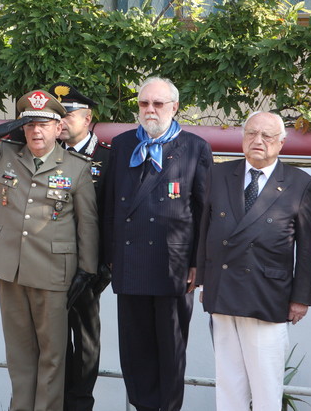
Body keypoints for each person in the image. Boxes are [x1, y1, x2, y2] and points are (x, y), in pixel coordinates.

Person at [0, 90, 99, 411]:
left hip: (52, 272)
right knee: (19, 356)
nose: (36, 131)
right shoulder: (4, 155)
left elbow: (87, 225)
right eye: (29, 124)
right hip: (10, 269)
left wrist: (86, 272)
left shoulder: (75, 167)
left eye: (43, 124)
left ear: (58, 128)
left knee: (52, 356)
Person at [102, 76, 211, 411]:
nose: (150, 110)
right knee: (135, 352)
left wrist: (199, 264)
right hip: (130, 266)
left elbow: (204, 211)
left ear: (174, 107)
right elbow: (106, 206)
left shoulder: (194, 147)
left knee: (170, 352)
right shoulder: (121, 146)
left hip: (173, 268)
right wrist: (108, 258)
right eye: (144, 103)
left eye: (158, 103)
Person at [197, 111, 311, 411]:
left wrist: (301, 298)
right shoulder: (219, 173)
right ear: (242, 138)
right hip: (223, 290)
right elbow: (205, 230)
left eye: (266, 135)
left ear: (281, 142)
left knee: (265, 386)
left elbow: (307, 247)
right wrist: (204, 281)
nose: (258, 141)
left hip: (268, 294)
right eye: (251, 133)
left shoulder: (299, 182)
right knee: (229, 382)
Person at [49, 81, 111, 411]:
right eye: (57, 114)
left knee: (86, 339)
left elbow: (113, 215)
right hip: (50, 263)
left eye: (69, 114)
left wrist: (105, 267)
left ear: (87, 119)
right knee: (54, 341)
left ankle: (80, 404)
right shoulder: (49, 155)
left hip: (89, 269)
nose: (62, 120)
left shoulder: (107, 159)